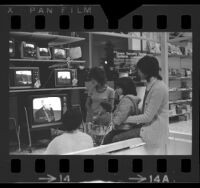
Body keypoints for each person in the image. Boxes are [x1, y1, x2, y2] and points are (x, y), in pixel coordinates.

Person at [124, 55, 169, 154]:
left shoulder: (158, 88)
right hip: (148, 128)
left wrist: (125, 119)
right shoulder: (150, 85)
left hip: (154, 130)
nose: (138, 72)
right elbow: (146, 111)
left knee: (116, 138)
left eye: (139, 70)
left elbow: (147, 117)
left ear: (146, 70)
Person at [102, 77, 141, 144]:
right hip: (127, 127)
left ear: (125, 87)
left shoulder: (126, 100)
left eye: (118, 88)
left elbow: (122, 114)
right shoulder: (131, 99)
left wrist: (114, 122)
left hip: (122, 128)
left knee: (107, 139)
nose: (116, 90)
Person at [85, 67, 115, 131]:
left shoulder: (110, 91)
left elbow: (111, 107)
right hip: (91, 117)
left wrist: (101, 115)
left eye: (93, 78)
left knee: (103, 137)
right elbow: (87, 104)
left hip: (103, 119)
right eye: (91, 78)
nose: (91, 80)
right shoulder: (91, 89)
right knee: (91, 137)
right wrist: (91, 114)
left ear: (99, 78)